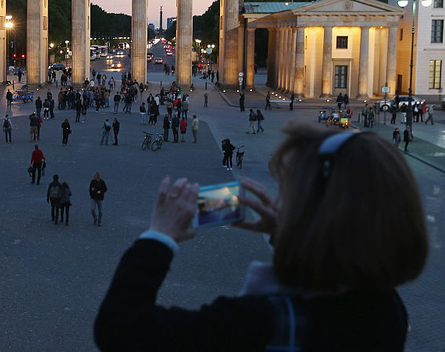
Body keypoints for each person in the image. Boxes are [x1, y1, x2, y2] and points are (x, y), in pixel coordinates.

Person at [95, 125, 428, 352]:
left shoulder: (259, 323)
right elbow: (331, 274)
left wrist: (159, 237)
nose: (276, 200)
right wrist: (287, 236)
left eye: (285, 192)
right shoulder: (389, 312)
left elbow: (119, 328)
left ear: (318, 213)